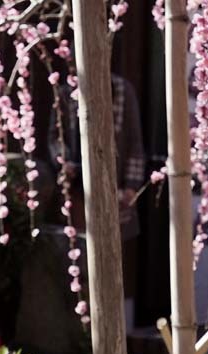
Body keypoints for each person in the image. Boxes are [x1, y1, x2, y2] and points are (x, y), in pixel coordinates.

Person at [49, 72, 145, 330]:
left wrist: (130, 188)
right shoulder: (64, 93)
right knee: (81, 252)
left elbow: (135, 142)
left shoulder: (122, 90)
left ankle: (118, 327)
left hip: (116, 187)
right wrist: (64, 162)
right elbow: (55, 137)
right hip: (79, 188)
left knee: (117, 256)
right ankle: (83, 326)